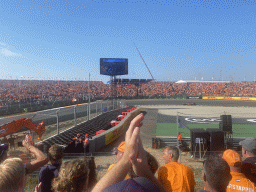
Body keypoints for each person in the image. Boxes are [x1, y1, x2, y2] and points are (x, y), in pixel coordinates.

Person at [92, 113, 169, 192]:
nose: (116, 153)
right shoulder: (152, 186)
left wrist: (125, 160)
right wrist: (147, 174)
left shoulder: (114, 171)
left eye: (118, 151)